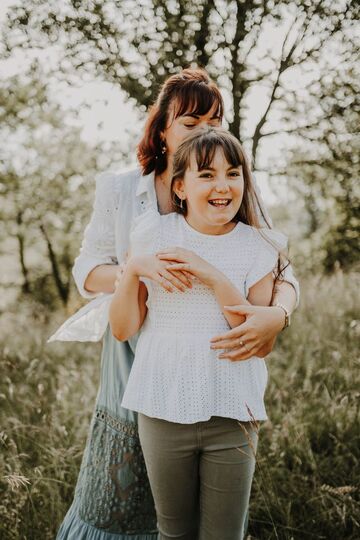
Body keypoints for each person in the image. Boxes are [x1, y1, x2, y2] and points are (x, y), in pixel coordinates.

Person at [51, 68, 299, 539]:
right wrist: (136, 270)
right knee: (127, 486)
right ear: (162, 129)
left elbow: (278, 266)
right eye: (191, 122)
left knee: (216, 506)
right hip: (138, 349)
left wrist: (277, 312)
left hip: (217, 356)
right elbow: (86, 271)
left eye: (215, 120)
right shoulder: (123, 190)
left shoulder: (231, 182)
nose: (206, 131)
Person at [108, 126, 288, 540]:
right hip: (161, 404)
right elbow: (122, 329)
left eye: (233, 173)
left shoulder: (259, 245)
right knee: (173, 532)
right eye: (206, 174)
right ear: (180, 187)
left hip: (233, 412)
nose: (223, 185)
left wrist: (210, 274)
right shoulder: (153, 235)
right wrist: (133, 268)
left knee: (225, 535)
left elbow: (253, 339)